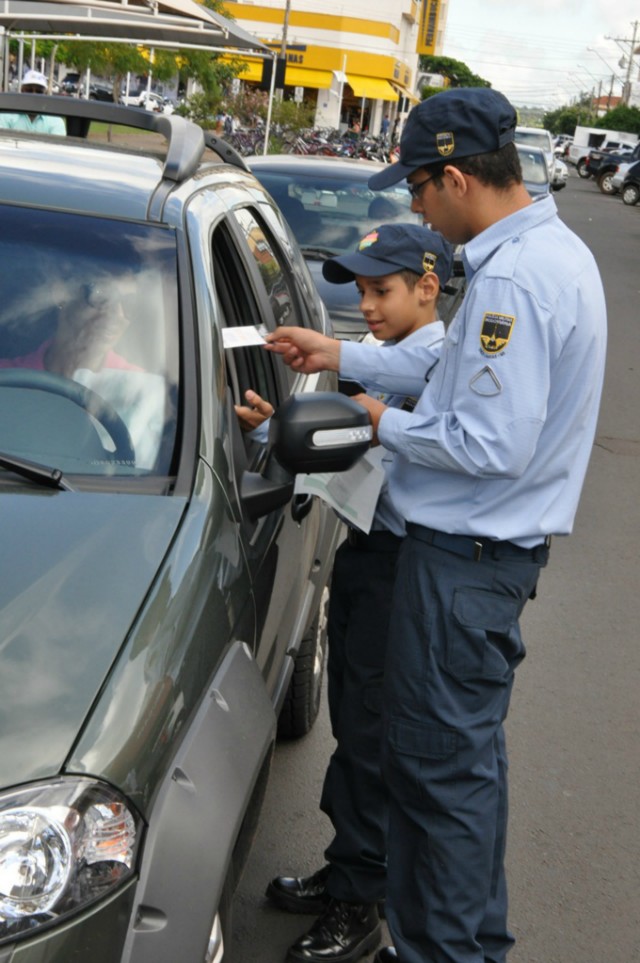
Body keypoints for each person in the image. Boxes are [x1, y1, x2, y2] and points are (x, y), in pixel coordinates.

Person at [265, 87, 607, 963]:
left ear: (454, 177)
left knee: (438, 782)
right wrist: (339, 353)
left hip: (464, 564)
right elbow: (445, 365)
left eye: (417, 187)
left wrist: (378, 419)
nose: (413, 205)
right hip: (472, 562)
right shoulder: (533, 257)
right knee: (455, 779)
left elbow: (486, 440)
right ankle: (463, 945)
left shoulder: (518, 278)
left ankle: (443, 952)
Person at [239, 223, 454, 963]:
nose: (366, 305)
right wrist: (282, 432)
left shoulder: (434, 358)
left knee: (372, 738)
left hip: (405, 566)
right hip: (372, 552)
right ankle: (350, 868)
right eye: (359, 291)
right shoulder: (395, 356)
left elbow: (385, 430)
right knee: (355, 728)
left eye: (382, 291)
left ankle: (362, 903)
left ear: (429, 288)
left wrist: (332, 365)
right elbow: (364, 464)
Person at [0, 280, 139, 377]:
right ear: (61, 293)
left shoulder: (141, 390)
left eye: (129, 302)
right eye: (102, 295)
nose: (116, 315)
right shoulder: (6, 380)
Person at [0, 69, 66, 135]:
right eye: (29, 90)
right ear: (22, 91)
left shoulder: (55, 121)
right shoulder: (6, 116)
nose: (34, 94)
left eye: (39, 91)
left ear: (45, 94)